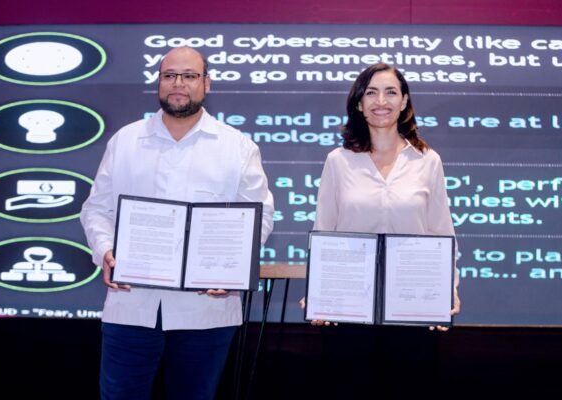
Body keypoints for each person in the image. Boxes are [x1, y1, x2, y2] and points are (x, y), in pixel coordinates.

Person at [80, 47, 274, 400]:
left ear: (206, 83)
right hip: (131, 306)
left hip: (206, 311)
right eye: (169, 75)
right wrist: (105, 250)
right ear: (159, 82)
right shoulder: (126, 140)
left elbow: (258, 216)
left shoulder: (237, 147)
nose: (178, 83)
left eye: (189, 75)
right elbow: (97, 208)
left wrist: (232, 269)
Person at [301, 62, 460, 396]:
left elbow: (441, 231)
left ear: (404, 101)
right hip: (349, 306)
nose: (381, 101)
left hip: (412, 304)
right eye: (371, 93)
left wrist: (448, 288)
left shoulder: (427, 160)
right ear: (359, 104)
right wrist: (318, 291)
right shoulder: (338, 160)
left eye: (391, 92)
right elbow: (324, 228)